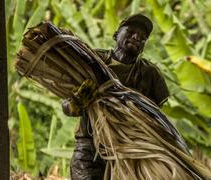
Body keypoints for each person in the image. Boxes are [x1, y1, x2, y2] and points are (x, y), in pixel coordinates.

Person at [61, 14, 170, 180]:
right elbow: (66, 105)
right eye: (131, 31)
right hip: (90, 148)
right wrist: (75, 103)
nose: (136, 37)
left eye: (142, 37)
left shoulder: (149, 74)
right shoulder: (92, 61)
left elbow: (157, 116)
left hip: (130, 152)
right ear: (116, 33)